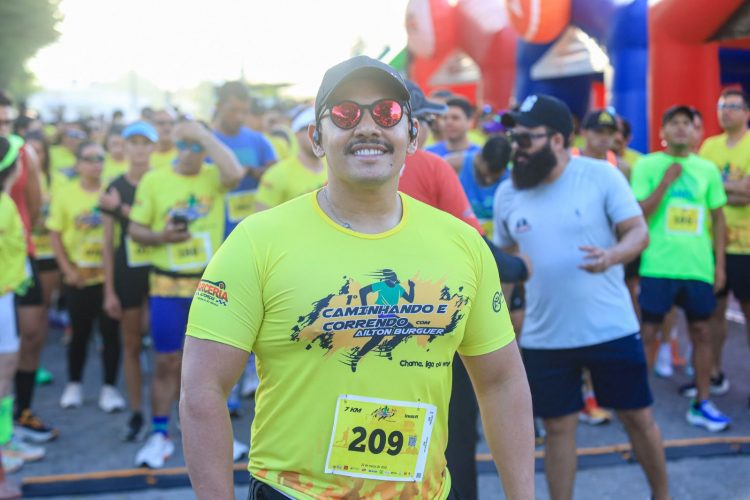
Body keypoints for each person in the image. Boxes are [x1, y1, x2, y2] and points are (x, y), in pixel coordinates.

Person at [181, 56, 534, 500]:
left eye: (387, 112)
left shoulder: (461, 243)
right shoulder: (257, 241)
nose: (368, 127)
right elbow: (202, 389)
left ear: (412, 135)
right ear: (316, 138)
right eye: (346, 113)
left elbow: (502, 381)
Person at [496, 94, 668, 500]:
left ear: (557, 140)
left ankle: (663, 495)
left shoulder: (601, 176)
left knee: (637, 418)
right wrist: (500, 319)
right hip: (544, 335)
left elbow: (638, 232)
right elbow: (506, 262)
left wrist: (612, 256)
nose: (517, 147)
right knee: (557, 428)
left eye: (527, 138)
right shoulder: (508, 193)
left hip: (610, 327)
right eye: (514, 137)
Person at [401, 80, 530, 500]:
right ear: (413, 124)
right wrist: (516, 268)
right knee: (454, 432)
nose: (431, 128)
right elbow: (475, 243)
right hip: (435, 321)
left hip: (365, 324)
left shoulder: (337, 178)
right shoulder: (433, 166)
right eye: (426, 119)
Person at [128, 120, 242, 469]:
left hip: (209, 284)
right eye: (184, 145)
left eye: (197, 147)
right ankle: (160, 432)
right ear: (174, 146)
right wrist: (162, 237)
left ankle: (213, 431)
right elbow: (135, 229)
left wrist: (203, 134)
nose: (190, 153)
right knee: (166, 361)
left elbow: (235, 173)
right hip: (167, 284)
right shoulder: (155, 179)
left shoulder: (212, 176)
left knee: (213, 365)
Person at [631, 105, 729, 432]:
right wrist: (666, 181)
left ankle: (702, 403)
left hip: (697, 267)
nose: (681, 128)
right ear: (663, 131)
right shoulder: (647, 165)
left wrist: (719, 266)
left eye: (687, 123)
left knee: (702, 332)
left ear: (695, 130)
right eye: (674, 123)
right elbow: (640, 212)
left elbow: (718, 218)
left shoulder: (707, 170)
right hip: (658, 265)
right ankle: (638, 405)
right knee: (649, 333)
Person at [48, 141, 125, 412]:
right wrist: (67, 270)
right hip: (78, 278)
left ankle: (109, 388)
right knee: (79, 333)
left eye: (100, 158)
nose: (96, 164)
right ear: (78, 164)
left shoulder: (111, 192)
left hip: (108, 276)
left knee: (110, 334)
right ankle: (74, 385)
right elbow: (55, 234)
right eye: (90, 159)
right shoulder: (65, 194)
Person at [1, 95, 58, 444]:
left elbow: (35, 209)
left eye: (6, 123)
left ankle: (21, 413)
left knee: (32, 334)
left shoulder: (23, 154)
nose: (2, 130)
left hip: (19, 258)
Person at [100, 122, 158, 441]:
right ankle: (137, 412)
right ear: (124, 147)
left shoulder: (162, 181)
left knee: (168, 347)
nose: (139, 149)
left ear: (153, 147)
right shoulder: (115, 186)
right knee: (132, 344)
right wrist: (109, 290)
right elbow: (107, 244)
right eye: (133, 142)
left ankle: (169, 412)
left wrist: (121, 209)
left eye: (145, 142)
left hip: (161, 270)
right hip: (127, 273)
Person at [699, 89, 750, 405]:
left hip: (746, 247)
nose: (726, 111)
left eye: (733, 106)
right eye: (722, 106)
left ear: (747, 113)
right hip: (712, 244)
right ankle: (714, 372)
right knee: (712, 314)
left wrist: (719, 189)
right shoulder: (709, 146)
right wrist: (736, 189)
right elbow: (702, 189)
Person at [0, 135, 31, 496]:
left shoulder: (6, 203)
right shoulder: (4, 205)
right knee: (3, 375)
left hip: (6, 296)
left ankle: (5, 443)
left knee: (5, 374)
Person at [212, 81, 277, 236]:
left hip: (253, 230)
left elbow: (276, 173)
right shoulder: (207, 143)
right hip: (218, 233)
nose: (239, 117)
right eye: (233, 110)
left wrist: (252, 171)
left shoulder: (258, 140)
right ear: (219, 106)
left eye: (245, 111)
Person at [254, 107, 326, 211]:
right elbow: (260, 216)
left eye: (322, 128)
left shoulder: (334, 167)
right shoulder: (277, 173)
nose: (318, 134)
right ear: (296, 134)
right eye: (311, 129)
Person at [426, 97, 481, 171]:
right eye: (445, 118)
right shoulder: (429, 154)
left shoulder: (480, 156)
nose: (448, 122)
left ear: (470, 122)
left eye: (455, 118)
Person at [573, 109, 631, 178]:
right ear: (584, 133)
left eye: (610, 133)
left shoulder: (621, 167)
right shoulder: (568, 159)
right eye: (599, 131)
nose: (605, 137)